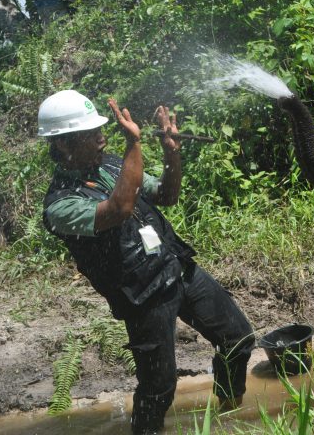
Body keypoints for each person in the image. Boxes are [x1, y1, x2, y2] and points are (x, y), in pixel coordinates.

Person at [37, 89, 254, 434]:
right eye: (91, 133)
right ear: (63, 144)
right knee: (159, 388)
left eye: (99, 129)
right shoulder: (61, 204)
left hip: (175, 267)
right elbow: (119, 209)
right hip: (142, 295)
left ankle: (228, 417)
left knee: (237, 338)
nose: (101, 136)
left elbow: (166, 195)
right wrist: (133, 145)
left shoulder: (109, 164)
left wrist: (172, 155)